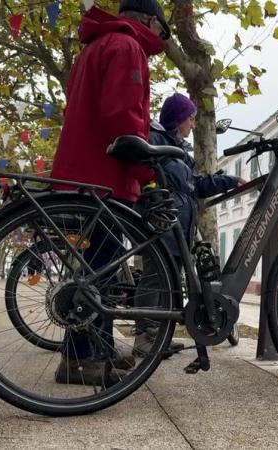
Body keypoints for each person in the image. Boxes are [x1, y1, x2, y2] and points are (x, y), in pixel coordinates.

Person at [49, 0, 169, 385]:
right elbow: (124, 121)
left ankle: (87, 352)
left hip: (79, 172)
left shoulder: (94, 46)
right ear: (150, 20)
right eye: (161, 29)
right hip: (103, 176)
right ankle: (82, 359)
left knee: (95, 268)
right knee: (102, 273)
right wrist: (147, 172)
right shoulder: (126, 46)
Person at [132, 92, 245, 355]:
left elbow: (198, 184)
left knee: (170, 283)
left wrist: (228, 181)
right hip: (160, 223)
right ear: (178, 119)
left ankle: (158, 336)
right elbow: (186, 182)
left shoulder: (180, 150)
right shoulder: (157, 141)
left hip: (178, 228)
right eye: (190, 119)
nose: (193, 125)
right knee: (154, 279)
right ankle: (144, 337)